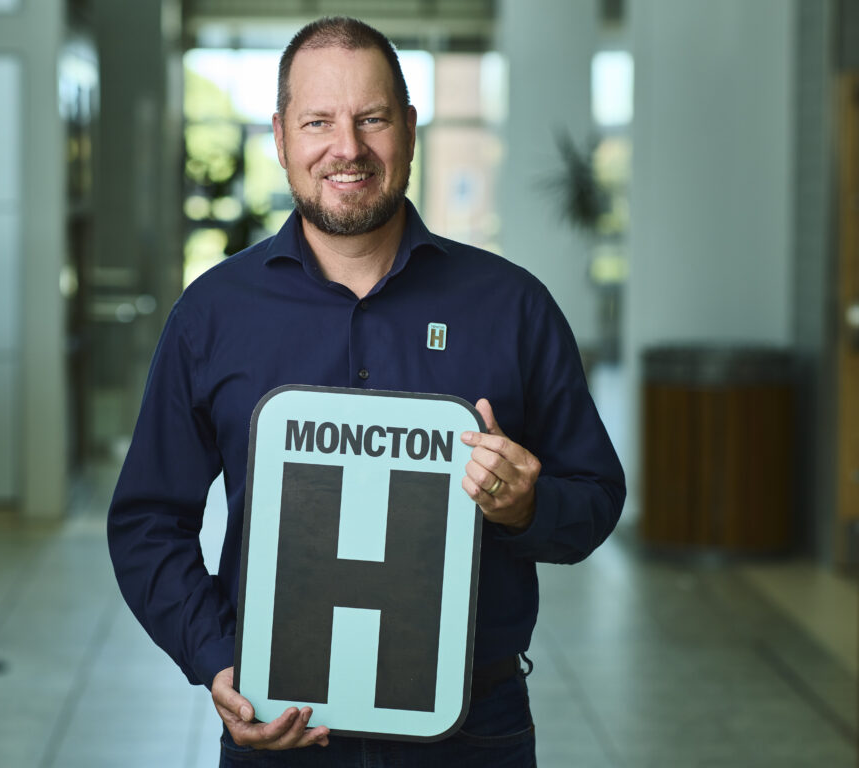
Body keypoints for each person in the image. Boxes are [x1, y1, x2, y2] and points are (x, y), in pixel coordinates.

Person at [108, 16, 625, 767]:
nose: (346, 148)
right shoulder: (212, 316)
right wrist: (219, 659)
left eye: (372, 119)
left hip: (471, 732)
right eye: (318, 121)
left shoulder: (512, 309)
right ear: (281, 137)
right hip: (279, 725)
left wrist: (526, 508)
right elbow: (148, 520)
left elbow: (596, 498)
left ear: (409, 131)